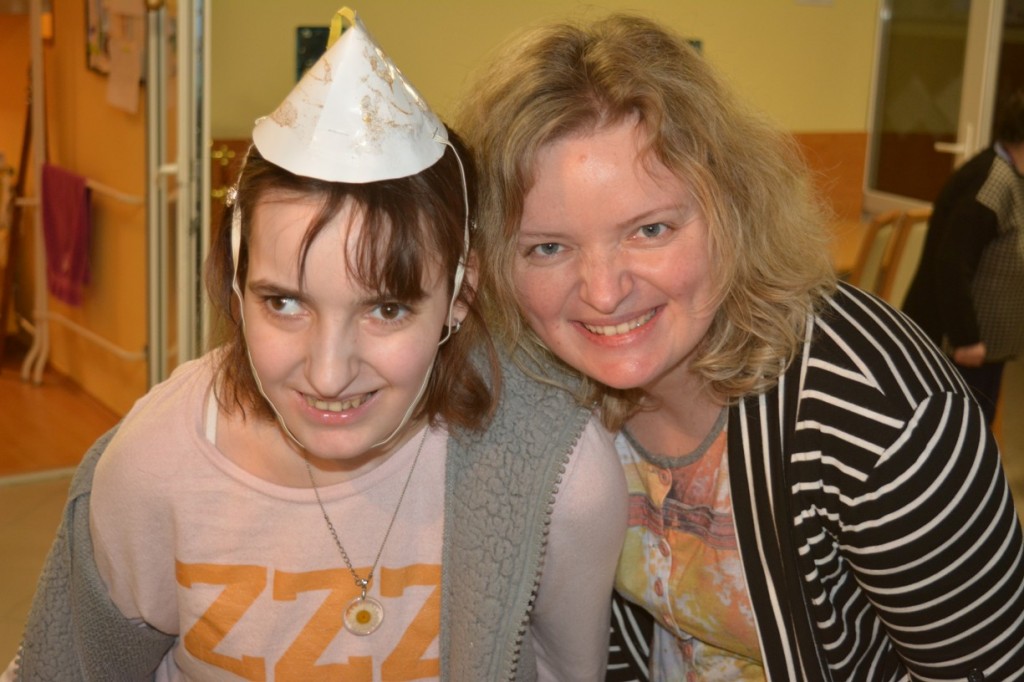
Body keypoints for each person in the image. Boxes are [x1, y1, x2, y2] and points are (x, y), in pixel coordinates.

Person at [5, 8, 625, 681]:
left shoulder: (556, 478)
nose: (329, 375)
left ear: (459, 294)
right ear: (237, 286)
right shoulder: (152, 470)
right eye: (285, 303)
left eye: (386, 309)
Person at [458, 12, 1024, 681]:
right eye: (549, 247)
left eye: (650, 230)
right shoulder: (535, 390)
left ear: (732, 208)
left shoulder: (882, 420)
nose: (604, 293)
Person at [902, 90, 1024, 427]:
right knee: (956, 430)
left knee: (977, 426)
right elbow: (951, 264)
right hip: (961, 347)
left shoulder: (1013, 174)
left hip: (987, 347)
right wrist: (966, 337)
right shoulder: (990, 181)